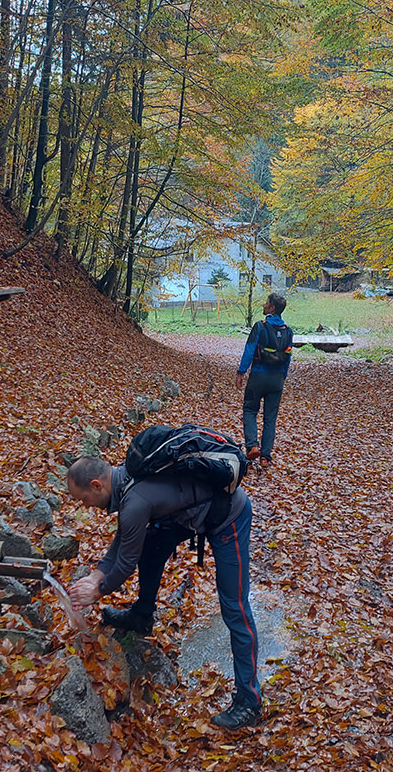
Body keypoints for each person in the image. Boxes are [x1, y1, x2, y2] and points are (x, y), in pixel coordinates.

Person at [65, 454, 262, 730]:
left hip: (229, 515)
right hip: (190, 512)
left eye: (83, 499)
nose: (84, 506)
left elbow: (126, 562)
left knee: (235, 608)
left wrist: (99, 590)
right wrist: (97, 574)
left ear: (97, 485)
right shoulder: (126, 478)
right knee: (152, 544)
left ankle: (249, 702)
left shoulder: (134, 500)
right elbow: (125, 535)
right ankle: (141, 615)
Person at [235, 293, 292, 464]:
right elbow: (288, 357)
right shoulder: (288, 331)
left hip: (258, 376)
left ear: (272, 308)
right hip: (277, 379)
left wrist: (241, 372)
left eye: (267, 303)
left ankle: (252, 446)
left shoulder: (260, 327)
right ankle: (265, 457)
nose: (264, 305)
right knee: (270, 418)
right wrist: (283, 376)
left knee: (250, 410)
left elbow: (249, 350)